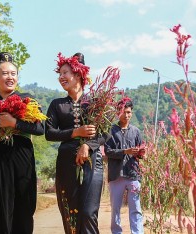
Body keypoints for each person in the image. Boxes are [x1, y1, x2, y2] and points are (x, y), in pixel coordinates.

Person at [0, 52, 44, 234]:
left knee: (22, 211)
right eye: (5, 73)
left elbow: (40, 129)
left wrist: (15, 123)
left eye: (13, 73)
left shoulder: (27, 100)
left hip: (22, 163)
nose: (10, 77)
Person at [45, 52, 109, 234]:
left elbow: (106, 132)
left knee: (88, 213)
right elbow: (49, 133)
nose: (61, 77)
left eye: (65, 73)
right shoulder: (56, 104)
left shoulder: (95, 103)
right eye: (60, 74)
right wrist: (76, 132)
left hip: (92, 162)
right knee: (70, 213)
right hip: (65, 163)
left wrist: (87, 145)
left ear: (79, 75)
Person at [104, 99, 145, 234]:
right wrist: (124, 152)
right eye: (123, 112)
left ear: (131, 114)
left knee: (136, 208)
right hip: (116, 175)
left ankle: (137, 232)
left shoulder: (136, 131)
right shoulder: (110, 130)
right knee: (115, 209)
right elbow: (108, 151)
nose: (126, 115)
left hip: (133, 174)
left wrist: (141, 153)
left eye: (128, 112)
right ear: (118, 113)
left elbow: (140, 153)